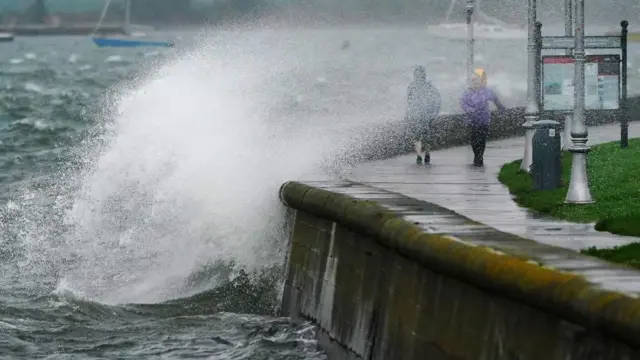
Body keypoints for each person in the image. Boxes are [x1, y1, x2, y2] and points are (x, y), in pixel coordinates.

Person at [459, 69, 505, 166]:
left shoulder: (487, 91)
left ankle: (479, 157)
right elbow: (462, 102)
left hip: (484, 120)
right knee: (473, 140)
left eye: (476, 80)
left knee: (482, 140)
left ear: (481, 81)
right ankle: (477, 155)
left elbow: (496, 100)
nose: (474, 82)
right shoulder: (467, 92)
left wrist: (501, 109)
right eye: (473, 80)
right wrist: (469, 109)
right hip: (471, 121)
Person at [406, 65, 441, 165]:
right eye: (417, 75)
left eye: (419, 75)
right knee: (421, 137)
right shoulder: (414, 86)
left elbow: (436, 100)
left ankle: (423, 154)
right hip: (418, 116)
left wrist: (434, 113)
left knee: (423, 137)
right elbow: (409, 102)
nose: (418, 76)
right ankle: (421, 155)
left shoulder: (427, 86)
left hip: (425, 116)